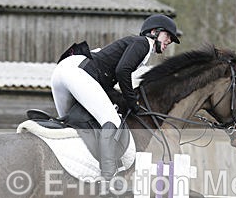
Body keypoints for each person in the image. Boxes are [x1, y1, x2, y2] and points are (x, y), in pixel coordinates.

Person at [51, 14, 180, 188]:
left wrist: (123, 99)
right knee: (111, 121)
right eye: (168, 36)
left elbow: (110, 79)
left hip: (62, 73)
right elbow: (122, 71)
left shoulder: (133, 45)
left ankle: (71, 169)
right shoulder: (143, 43)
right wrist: (132, 102)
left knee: (72, 125)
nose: (169, 41)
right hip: (77, 73)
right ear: (153, 32)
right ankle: (109, 178)